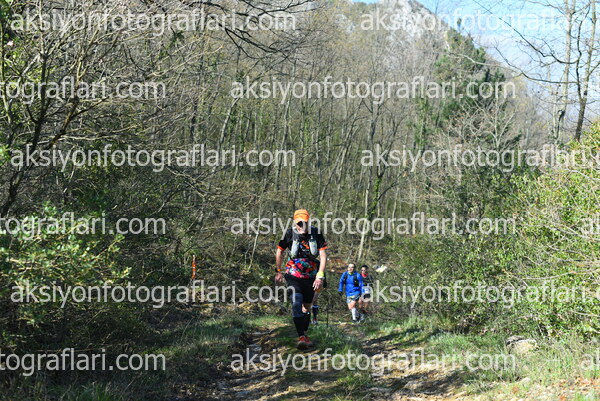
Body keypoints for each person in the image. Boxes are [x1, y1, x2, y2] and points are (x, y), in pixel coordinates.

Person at [275, 209, 328, 350]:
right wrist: (278, 271)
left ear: (308, 221)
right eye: (299, 223)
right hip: (293, 275)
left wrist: (320, 276)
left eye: (304, 223)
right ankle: (301, 336)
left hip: (311, 275)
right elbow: (279, 251)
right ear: (295, 223)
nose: (301, 226)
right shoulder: (289, 233)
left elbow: (323, 256)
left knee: (306, 307)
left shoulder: (316, 233)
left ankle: (304, 333)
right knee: (296, 302)